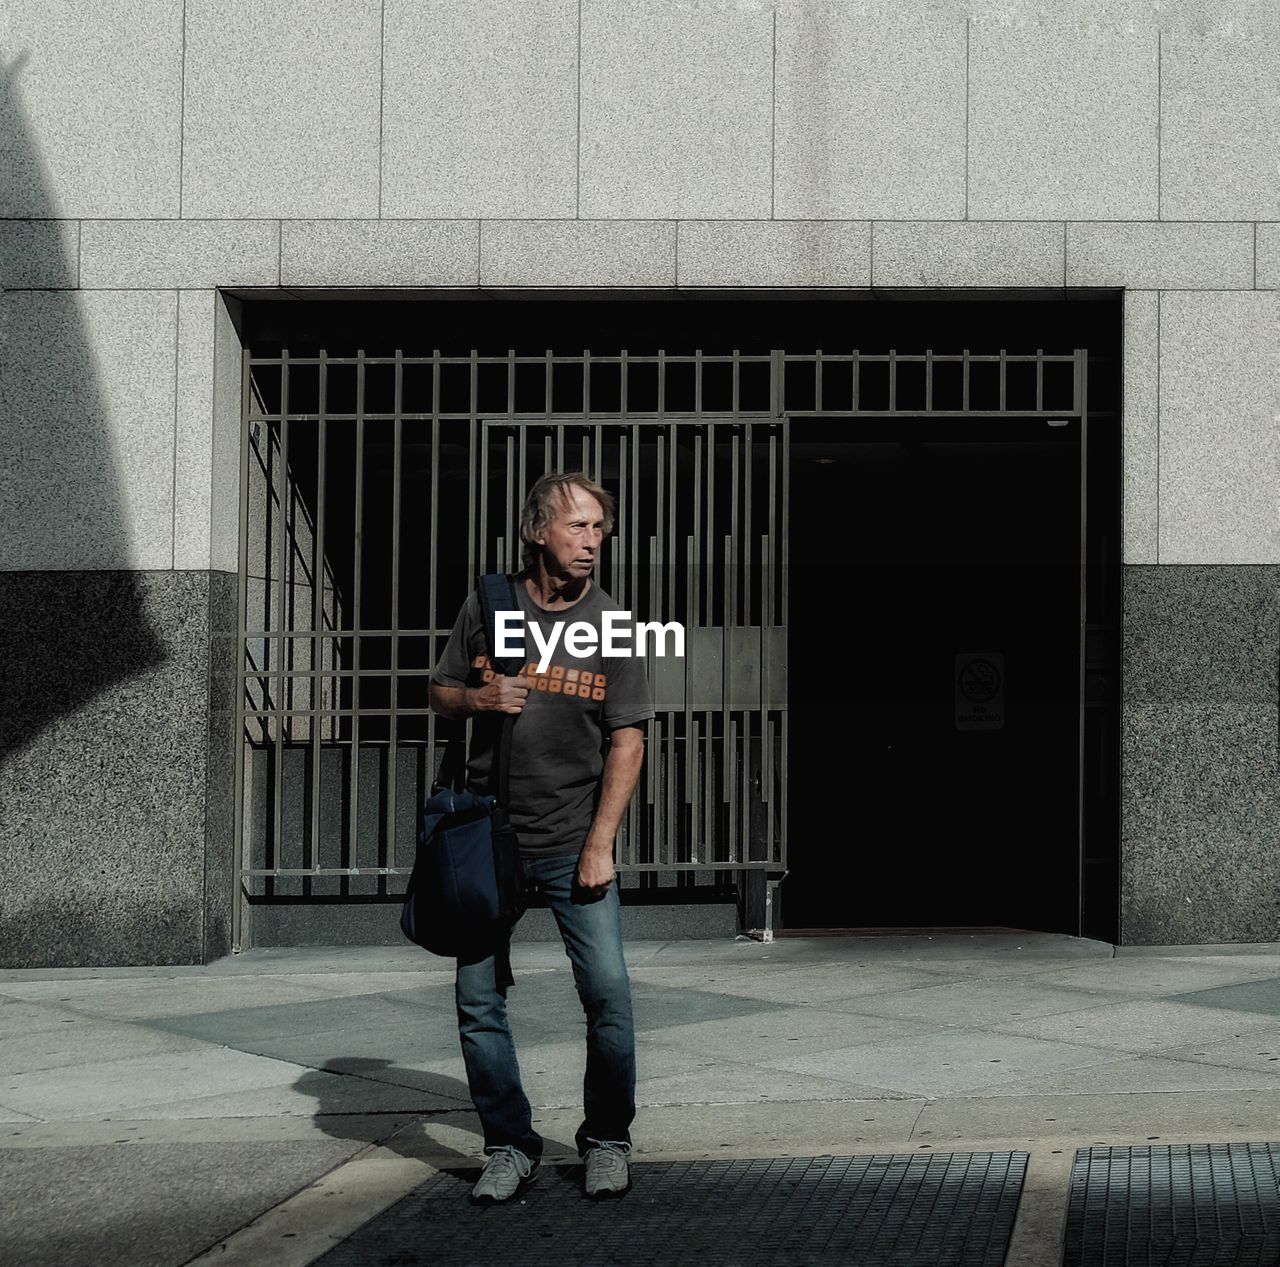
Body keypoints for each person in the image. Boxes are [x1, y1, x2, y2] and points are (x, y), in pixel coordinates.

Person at [428, 471, 653, 1203]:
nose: (592, 541)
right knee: (478, 999)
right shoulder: (488, 605)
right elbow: (439, 693)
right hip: (488, 842)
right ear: (538, 532)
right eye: (578, 526)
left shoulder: (612, 621)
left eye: (598, 528)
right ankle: (508, 1142)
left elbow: (627, 741)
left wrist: (600, 843)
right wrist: (477, 696)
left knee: (609, 994)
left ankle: (607, 1137)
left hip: (572, 840)